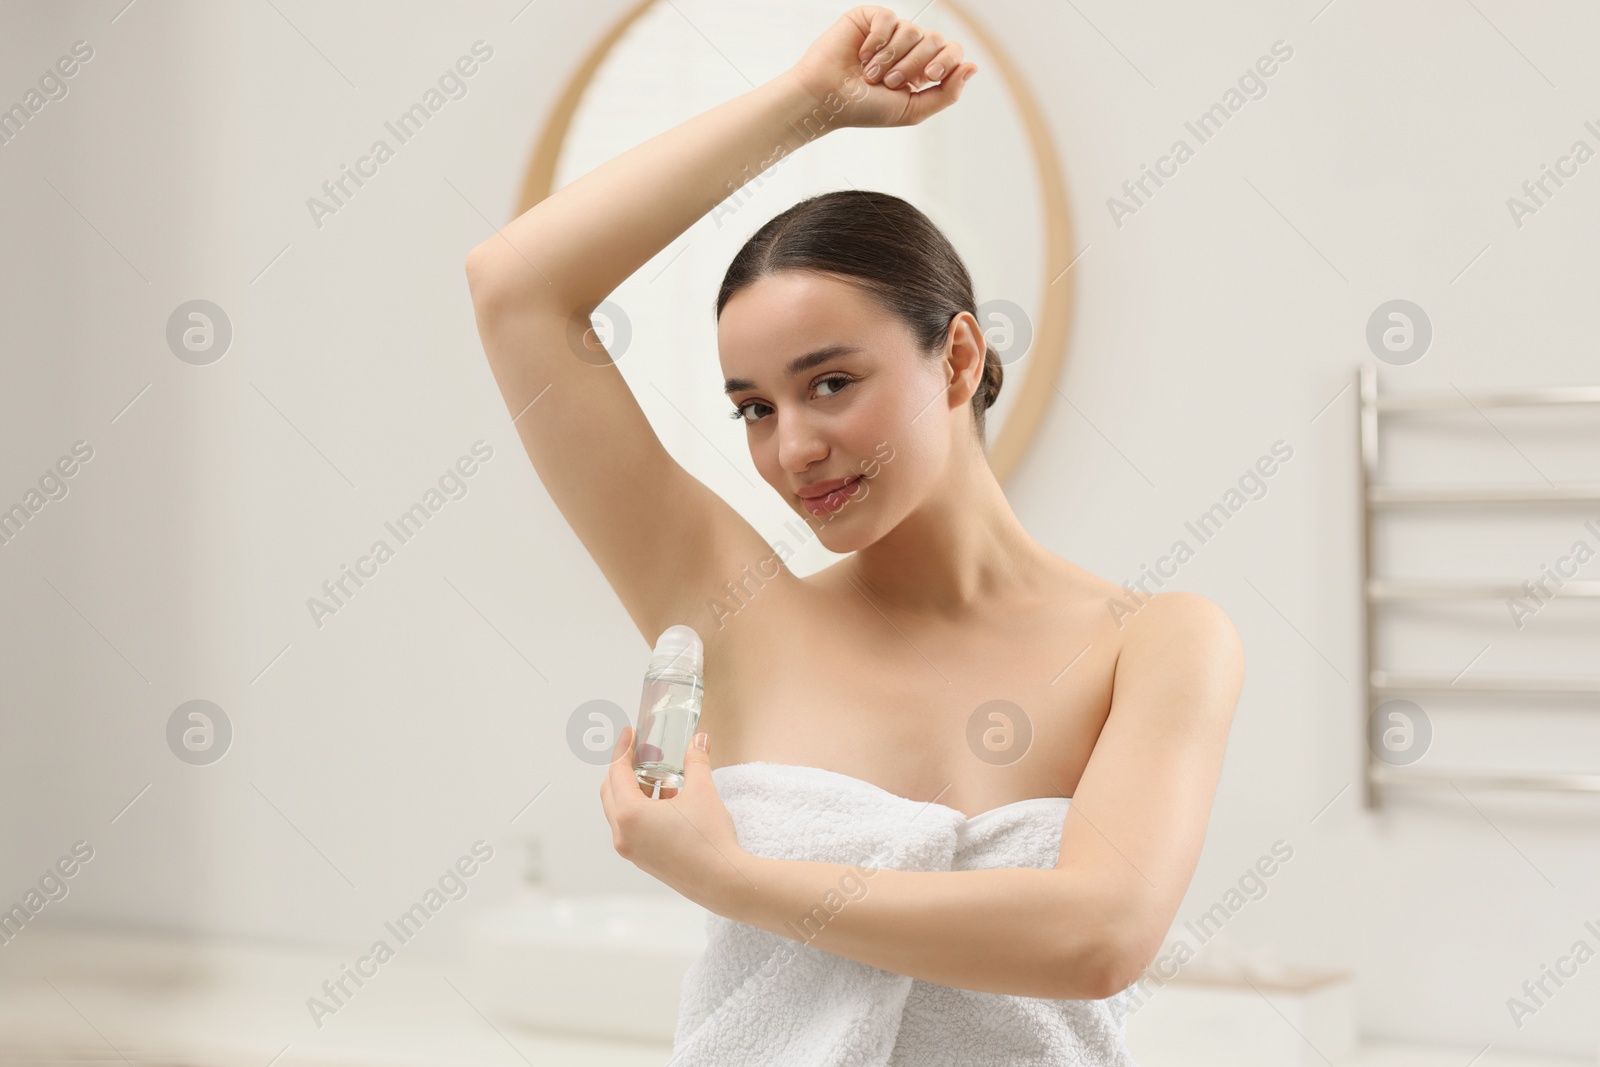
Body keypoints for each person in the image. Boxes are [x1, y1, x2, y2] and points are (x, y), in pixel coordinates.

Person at [465, 6, 1243, 1061]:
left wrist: (727, 877)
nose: (794, 448)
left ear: (958, 358)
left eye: (831, 383)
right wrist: (805, 106)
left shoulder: (1155, 641)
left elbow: (1098, 934)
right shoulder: (733, 612)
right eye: (754, 407)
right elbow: (516, 287)